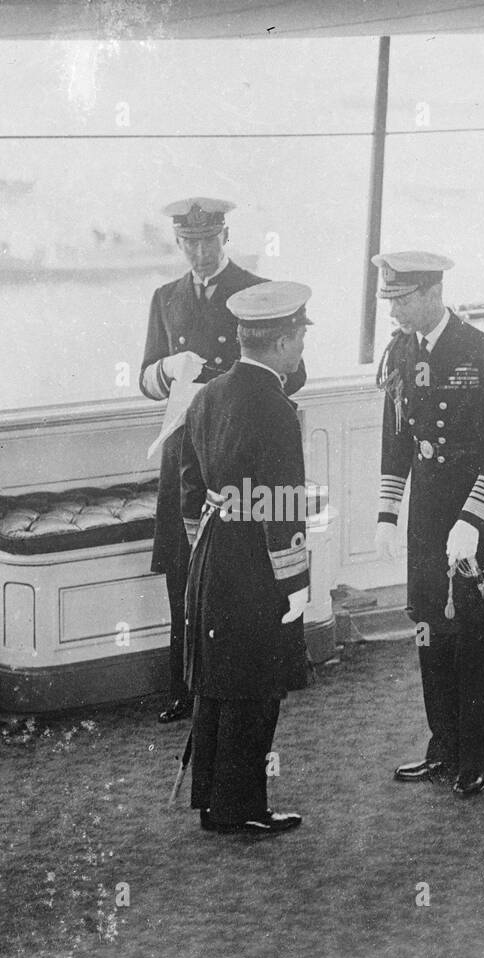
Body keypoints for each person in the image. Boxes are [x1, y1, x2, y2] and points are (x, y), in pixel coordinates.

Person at [140, 197, 305, 725]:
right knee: (184, 573)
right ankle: (185, 684)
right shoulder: (165, 298)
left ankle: (231, 682)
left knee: (238, 577)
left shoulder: (256, 294)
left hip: (236, 456)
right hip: (183, 451)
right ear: (179, 243)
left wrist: (222, 390)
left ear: (225, 236)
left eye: (210, 241)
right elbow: (143, 378)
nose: (201, 251)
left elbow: (291, 375)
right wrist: (167, 369)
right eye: (190, 242)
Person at [373, 252, 484, 798]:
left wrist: (473, 521)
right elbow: (398, 438)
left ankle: (475, 756)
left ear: (433, 291)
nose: (394, 311)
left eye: (403, 299)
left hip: (474, 520)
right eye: (388, 300)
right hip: (428, 520)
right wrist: (388, 514)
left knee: (475, 637)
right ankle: (443, 746)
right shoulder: (400, 352)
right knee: (431, 632)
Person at [178, 281, 312, 834]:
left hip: (212, 552)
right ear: (282, 343)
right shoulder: (276, 408)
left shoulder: (206, 395)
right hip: (258, 561)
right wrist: (296, 583)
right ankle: (243, 810)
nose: (301, 344)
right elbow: (283, 505)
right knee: (255, 689)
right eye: (299, 334)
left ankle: (212, 803)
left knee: (217, 682)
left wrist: (202, 546)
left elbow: (188, 487)